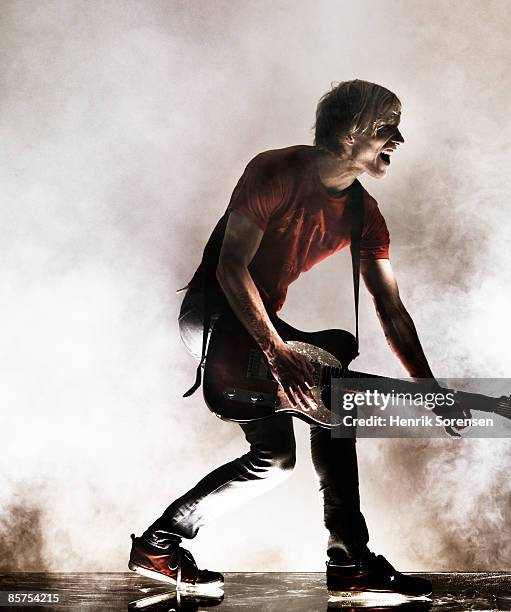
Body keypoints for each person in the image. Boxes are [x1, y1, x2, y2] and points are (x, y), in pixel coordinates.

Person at [129, 80, 435, 600]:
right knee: (337, 401)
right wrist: (276, 351)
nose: (398, 139)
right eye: (387, 127)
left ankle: (159, 547)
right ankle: (350, 560)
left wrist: (429, 388)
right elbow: (230, 268)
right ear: (349, 133)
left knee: (275, 462)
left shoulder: (365, 214)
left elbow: (391, 309)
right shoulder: (274, 171)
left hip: (264, 327)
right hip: (215, 316)